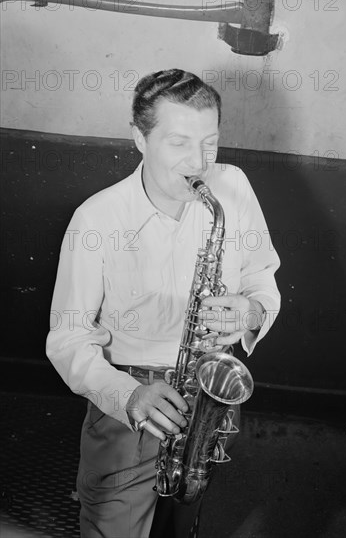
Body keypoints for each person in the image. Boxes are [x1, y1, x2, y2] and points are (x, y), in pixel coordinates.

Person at [46, 69, 281, 538]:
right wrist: (130, 396)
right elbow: (68, 339)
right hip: (131, 405)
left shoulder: (233, 185)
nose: (199, 162)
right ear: (139, 138)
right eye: (178, 142)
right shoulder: (97, 218)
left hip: (207, 394)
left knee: (183, 520)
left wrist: (250, 311)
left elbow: (262, 278)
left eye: (209, 142)